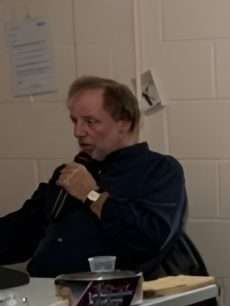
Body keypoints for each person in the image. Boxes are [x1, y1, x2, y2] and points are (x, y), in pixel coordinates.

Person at [0, 76, 187, 279]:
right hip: (48, 291)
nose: (78, 132)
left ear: (124, 123)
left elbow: (149, 239)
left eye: (90, 121)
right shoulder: (72, 171)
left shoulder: (159, 170)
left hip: (113, 296)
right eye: (74, 121)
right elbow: (24, 229)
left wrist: (91, 195)